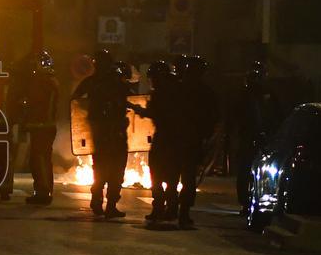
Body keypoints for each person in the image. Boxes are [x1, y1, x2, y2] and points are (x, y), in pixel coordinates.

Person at [72, 49, 130, 218]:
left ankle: (99, 201)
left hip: (104, 132)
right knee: (114, 170)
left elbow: (74, 99)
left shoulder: (92, 82)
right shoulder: (115, 82)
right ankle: (108, 204)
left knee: (103, 168)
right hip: (114, 133)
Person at [129, 61, 182, 222]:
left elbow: (156, 113)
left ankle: (159, 208)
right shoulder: (176, 91)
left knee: (157, 175)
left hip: (165, 138)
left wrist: (138, 109)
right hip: (175, 139)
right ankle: (171, 209)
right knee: (171, 178)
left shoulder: (162, 93)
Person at [175, 55, 220, 228]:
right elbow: (213, 118)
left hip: (180, 140)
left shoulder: (179, 89)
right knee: (187, 178)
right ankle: (182, 212)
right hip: (191, 141)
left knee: (173, 176)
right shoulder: (205, 92)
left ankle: (172, 209)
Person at [233, 61, 280, 214]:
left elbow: (277, 116)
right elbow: (235, 118)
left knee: (261, 172)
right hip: (248, 138)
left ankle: (256, 201)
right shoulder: (243, 96)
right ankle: (246, 203)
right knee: (245, 172)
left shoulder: (269, 96)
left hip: (264, 139)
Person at [18, 50, 59, 205]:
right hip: (46, 126)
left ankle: (42, 191)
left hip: (41, 126)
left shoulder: (42, 82)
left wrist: (23, 105)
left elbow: (35, 104)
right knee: (45, 159)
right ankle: (45, 190)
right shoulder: (51, 81)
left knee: (38, 159)